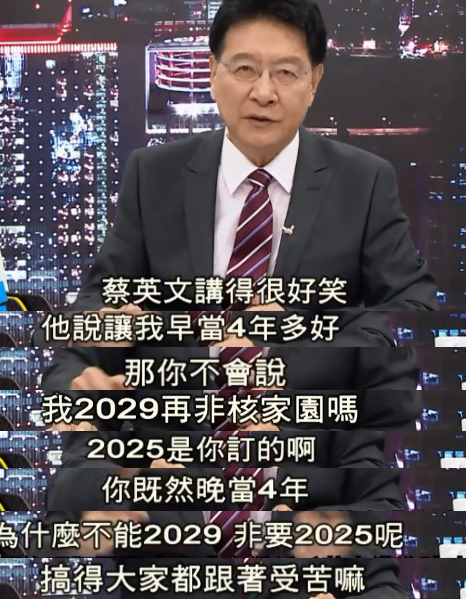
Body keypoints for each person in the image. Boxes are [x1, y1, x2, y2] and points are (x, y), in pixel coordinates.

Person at [36, 1, 439, 597]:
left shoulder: (363, 182)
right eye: (245, 68)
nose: (263, 93)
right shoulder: (154, 177)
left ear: (315, 81)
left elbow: (413, 318)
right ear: (212, 72)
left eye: (286, 72)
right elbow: (90, 330)